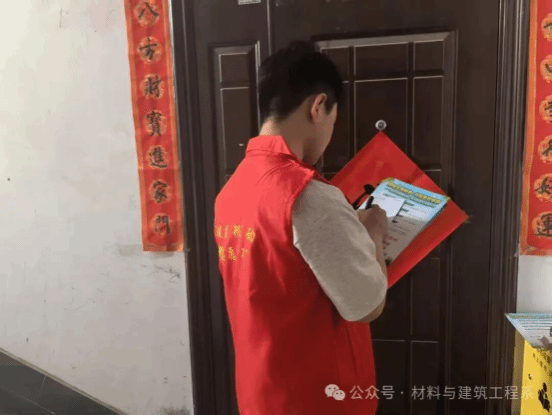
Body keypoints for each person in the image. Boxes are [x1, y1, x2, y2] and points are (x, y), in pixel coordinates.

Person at [213, 40, 389, 415]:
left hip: (263, 394)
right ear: (318, 107)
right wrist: (372, 231)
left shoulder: (231, 191)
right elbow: (367, 306)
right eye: (333, 122)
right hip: (318, 400)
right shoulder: (307, 196)